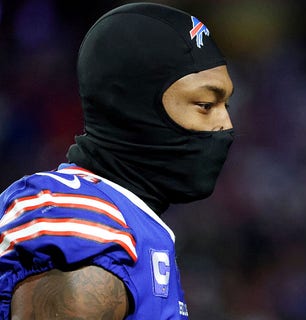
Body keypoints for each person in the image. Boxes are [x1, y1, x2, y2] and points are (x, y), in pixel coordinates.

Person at [0, 3, 234, 319]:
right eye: (206, 105)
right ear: (134, 108)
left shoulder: (130, 221)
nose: (226, 125)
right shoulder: (84, 225)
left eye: (226, 104)